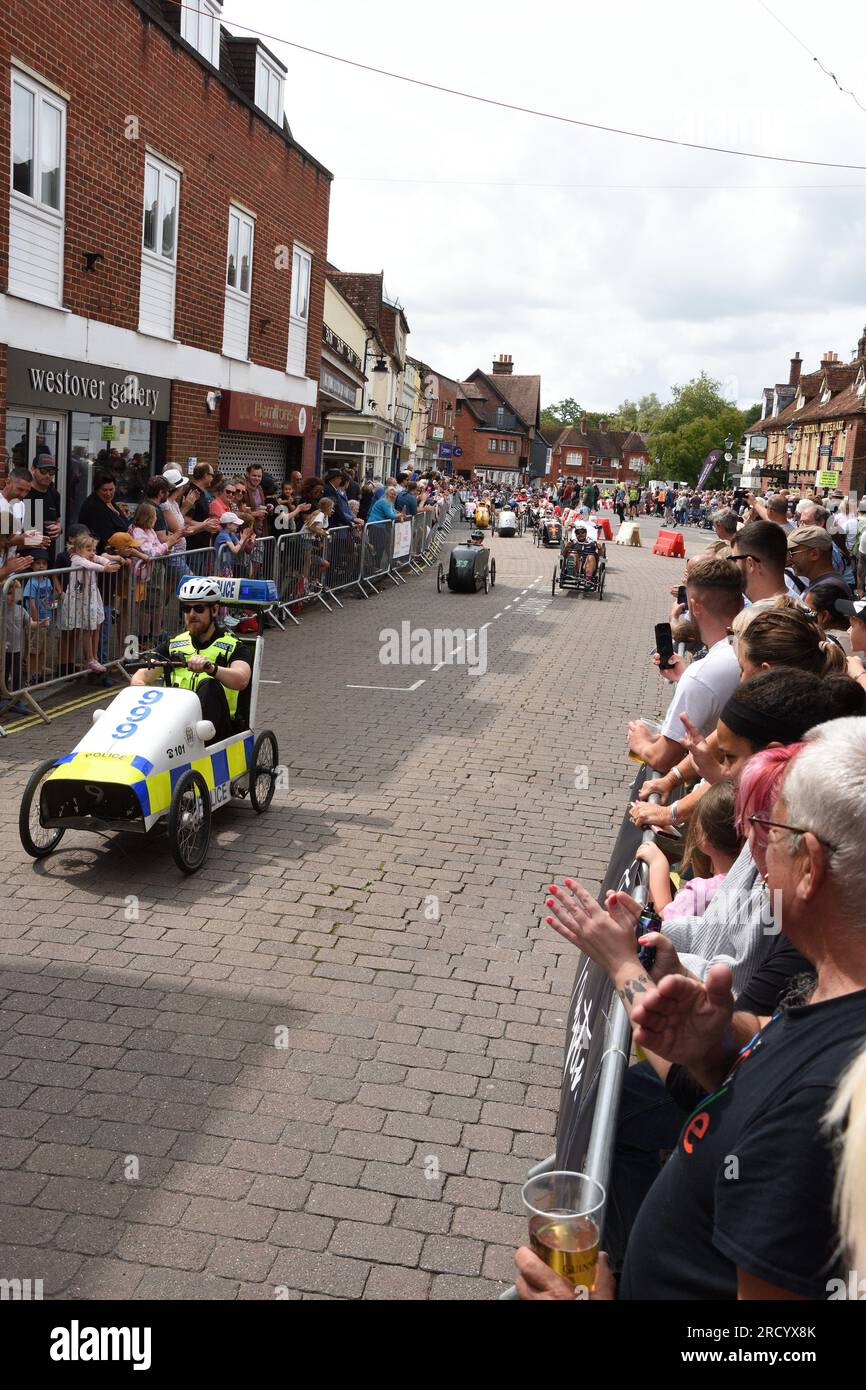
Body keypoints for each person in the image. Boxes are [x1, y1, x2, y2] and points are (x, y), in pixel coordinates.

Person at [519, 715, 866, 1302]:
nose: (750, 847)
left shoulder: (819, 1108)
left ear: (808, 864)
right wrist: (716, 1051)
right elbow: (776, 1059)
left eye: (765, 827)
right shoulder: (835, 1007)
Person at [628, 556, 742, 772]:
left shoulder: (703, 674)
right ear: (740, 603)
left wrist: (640, 741)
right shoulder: (744, 648)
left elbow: (662, 758)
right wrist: (686, 676)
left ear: (695, 607)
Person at [130, 576, 253, 745]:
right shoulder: (174, 644)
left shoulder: (233, 646)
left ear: (215, 610)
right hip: (174, 728)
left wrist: (212, 669)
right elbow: (141, 675)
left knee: (210, 686)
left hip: (216, 731)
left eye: (199, 608)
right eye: (186, 609)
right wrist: (139, 686)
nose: (191, 614)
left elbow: (242, 679)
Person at [59, 530, 121, 674]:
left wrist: (107, 562)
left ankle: (93, 657)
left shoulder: (89, 557)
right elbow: (90, 565)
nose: (92, 552)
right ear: (78, 549)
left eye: (93, 549)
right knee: (88, 628)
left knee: (96, 627)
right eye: (88, 549)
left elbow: (100, 559)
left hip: (92, 597)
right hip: (81, 600)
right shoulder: (76, 559)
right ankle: (90, 658)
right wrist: (105, 568)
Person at [729, 519, 796, 604]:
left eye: (734, 559)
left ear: (750, 564)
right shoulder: (800, 606)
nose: (733, 565)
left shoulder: (756, 615)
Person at [787, 524, 851, 600]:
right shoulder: (826, 584)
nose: (788, 559)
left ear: (815, 554)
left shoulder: (827, 590)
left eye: (792, 553)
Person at [28, 455, 62, 564]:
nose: (47, 475)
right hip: (27, 558)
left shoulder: (54, 494)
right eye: (43, 471)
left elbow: (58, 520)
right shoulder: (25, 493)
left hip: (48, 557)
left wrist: (59, 529)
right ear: (33, 469)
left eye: (51, 472)